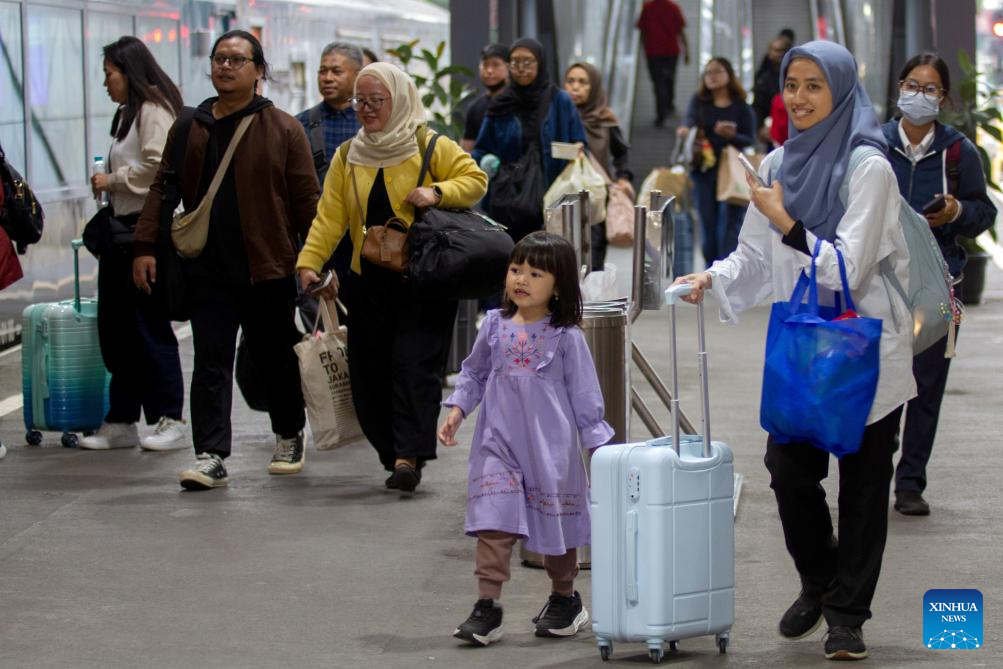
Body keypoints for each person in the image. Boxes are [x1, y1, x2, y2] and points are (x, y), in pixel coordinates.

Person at [673, 41, 915, 661]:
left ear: (840, 91)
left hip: (866, 350)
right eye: (792, 85)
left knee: (863, 489)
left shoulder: (871, 168)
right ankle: (820, 578)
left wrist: (788, 223)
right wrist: (713, 278)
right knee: (787, 471)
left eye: (814, 86)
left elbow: (848, 269)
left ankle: (846, 617)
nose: (800, 98)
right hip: (806, 350)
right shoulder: (778, 164)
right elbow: (753, 256)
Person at [133, 30, 319, 490]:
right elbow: (163, 186)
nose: (226, 66)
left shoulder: (283, 128)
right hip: (206, 266)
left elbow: (306, 201)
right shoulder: (190, 125)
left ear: (259, 71)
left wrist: (316, 260)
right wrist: (143, 246)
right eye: (220, 58)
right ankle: (211, 454)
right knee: (210, 361)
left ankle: (288, 434)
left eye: (238, 59)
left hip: (268, 266)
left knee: (274, 355)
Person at [297, 63, 487, 495]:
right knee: (369, 371)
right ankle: (392, 451)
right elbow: (330, 217)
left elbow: (475, 180)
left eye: (375, 101)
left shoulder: (427, 143)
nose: (365, 109)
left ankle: (409, 456)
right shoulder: (349, 155)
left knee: (414, 366)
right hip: (368, 281)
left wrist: (437, 193)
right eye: (359, 101)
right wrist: (310, 261)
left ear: (398, 99)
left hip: (423, 279)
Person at [439, 231, 613, 646]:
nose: (521, 279)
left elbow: (586, 394)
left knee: (556, 527)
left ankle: (564, 598)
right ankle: (487, 606)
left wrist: (598, 446)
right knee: (492, 521)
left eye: (536, 273)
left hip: (550, 451)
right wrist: (457, 409)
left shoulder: (566, 336)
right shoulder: (494, 326)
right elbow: (475, 372)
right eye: (516, 269)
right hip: (497, 444)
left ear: (559, 287)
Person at [881, 53, 997, 517]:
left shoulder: (957, 151)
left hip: (938, 285)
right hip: (881, 282)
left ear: (943, 98)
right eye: (912, 85)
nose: (919, 96)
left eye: (930, 89)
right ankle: (878, 459)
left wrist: (957, 213)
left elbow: (984, 213)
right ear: (899, 89)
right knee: (882, 383)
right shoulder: (875, 144)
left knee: (927, 386)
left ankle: (910, 482)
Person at [80, 36, 186, 452]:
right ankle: (122, 419)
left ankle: (170, 417)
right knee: (120, 330)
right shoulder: (128, 113)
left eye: (110, 74)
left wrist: (113, 180)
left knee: (149, 326)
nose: (106, 83)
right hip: (121, 233)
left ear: (129, 72)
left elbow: (160, 167)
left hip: (145, 234)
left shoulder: (153, 110)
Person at [472, 37, 587, 242]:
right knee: (510, 257)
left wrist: (574, 150)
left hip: (551, 196)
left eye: (528, 62)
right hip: (508, 199)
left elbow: (580, 142)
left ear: (540, 64)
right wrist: (489, 164)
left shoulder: (559, 100)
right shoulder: (500, 103)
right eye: (515, 63)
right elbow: (481, 149)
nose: (521, 68)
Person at [295, 42, 364, 328]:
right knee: (323, 332)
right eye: (322, 71)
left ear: (358, 74)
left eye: (337, 71)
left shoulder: (370, 123)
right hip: (319, 240)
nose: (327, 77)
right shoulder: (301, 125)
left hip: (363, 245)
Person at [677, 57, 756, 265]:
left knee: (729, 221)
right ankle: (709, 267)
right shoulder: (699, 101)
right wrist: (687, 131)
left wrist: (732, 136)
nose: (712, 76)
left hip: (731, 170)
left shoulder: (741, 106)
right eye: (708, 72)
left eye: (717, 71)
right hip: (704, 168)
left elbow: (750, 138)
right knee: (707, 221)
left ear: (729, 75)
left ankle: (725, 267)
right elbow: (689, 123)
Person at [563, 61, 633, 269]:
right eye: (570, 81)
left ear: (593, 86)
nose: (575, 87)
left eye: (583, 82)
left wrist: (623, 177)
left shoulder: (605, 119)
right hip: (562, 195)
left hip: (596, 197)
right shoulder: (557, 117)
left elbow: (621, 152)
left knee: (593, 256)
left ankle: (589, 301)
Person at [636, 0, 690, 127]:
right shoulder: (674, 7)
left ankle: (661, 113)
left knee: (658, 82)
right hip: (671, 51)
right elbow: (681, 31)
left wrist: (644, 49)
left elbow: (642, 31)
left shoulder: (647, 8)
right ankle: (669, 105)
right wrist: (687, 52)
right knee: (669, 79)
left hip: (653, 52)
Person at [461, 43, 510, 152]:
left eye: (496, 65)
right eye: (485, 65)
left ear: (509, 67)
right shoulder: (475, 108)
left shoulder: (520, 101)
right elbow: (467, 150)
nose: (489, 71)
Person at [753, 33, 793, 148]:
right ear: (769, 53)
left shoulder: (799, 73)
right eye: (776, 50)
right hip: (775, 133)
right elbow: (758, 107)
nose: (780, 54)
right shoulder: (763, 78)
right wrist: (760, 128)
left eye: (783, 50)